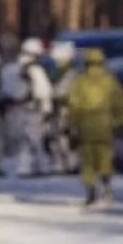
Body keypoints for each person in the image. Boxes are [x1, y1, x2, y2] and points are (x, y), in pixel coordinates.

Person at [65, 48, 123, 206]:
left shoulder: (80, 82)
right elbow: (119, 103)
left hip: (85, 126)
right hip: (105, 125)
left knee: (88, 159)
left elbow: (74, 105)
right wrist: (121, 121)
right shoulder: (110, 81)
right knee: (105, 156)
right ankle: (106, 186)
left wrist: (71, 125)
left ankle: (91, 190)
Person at [1, 38, 55, 177]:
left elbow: (6, 89)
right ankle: (41, 166)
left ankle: (24, 167)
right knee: (36, 139)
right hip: (34, 109)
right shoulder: (35, 70)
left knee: (24, 140)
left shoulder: (11, 68)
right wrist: (47, 109)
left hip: (17, 108)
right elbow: (44, 91)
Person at [49, 41, 80, 175]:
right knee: (58, 138)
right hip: (58, 110)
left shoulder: (73, 75)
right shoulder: (58, 74)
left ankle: (72, 164)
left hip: (68, 110)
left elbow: (72, 93)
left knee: (69, 137)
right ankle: (61, 164)